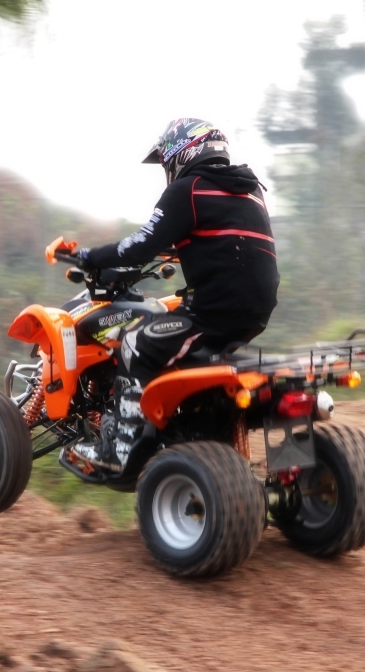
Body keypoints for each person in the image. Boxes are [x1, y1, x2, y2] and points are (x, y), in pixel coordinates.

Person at [71, 118, 279, 473]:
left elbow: (139, 245)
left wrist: (89, 256)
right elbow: (220, 240)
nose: (167, 170)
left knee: (136, 343)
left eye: (167, 162)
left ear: (183, 153)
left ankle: (119, 452)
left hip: (211, 313)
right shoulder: (250, 190)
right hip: (254, 314)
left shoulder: (188, 190)